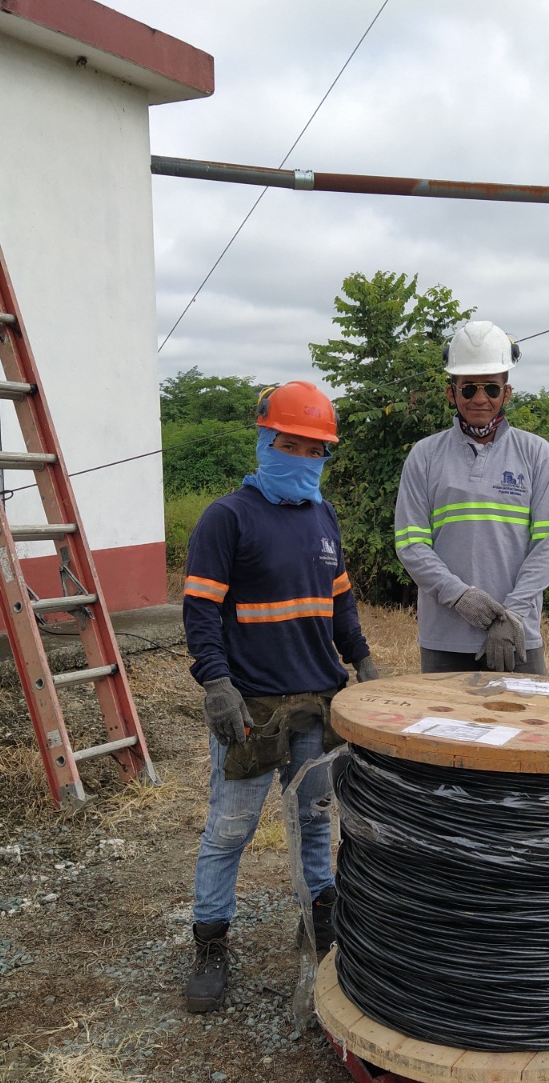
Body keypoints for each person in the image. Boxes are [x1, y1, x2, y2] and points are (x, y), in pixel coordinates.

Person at [180, 381, 379, 1013]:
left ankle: (318, 923)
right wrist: (216, 683)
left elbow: (340, 602)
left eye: (315, 449)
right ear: (265, 441)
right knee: (230, 829)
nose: (303, 457)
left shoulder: (323, 517)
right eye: (291, 444)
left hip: (317, 704)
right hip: (253, 709)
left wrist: (363, 661)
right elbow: (200, 611)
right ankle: (211, 942)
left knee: (315, 822)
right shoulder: (228, 517)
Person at [393, 320, 549, 675]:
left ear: (507, 393)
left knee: (523, 714)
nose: (480, 399)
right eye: (469, 389)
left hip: (518, 636)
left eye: (491, 388)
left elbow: (548, 544)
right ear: (451, 393)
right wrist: (459, 596)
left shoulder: (537, 454)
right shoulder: (424, 455)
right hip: (445, 639)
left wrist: (512, 615)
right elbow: (411, 543)